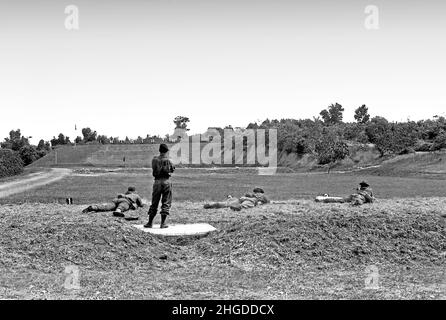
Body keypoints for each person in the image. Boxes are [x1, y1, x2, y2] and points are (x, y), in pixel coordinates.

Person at [144, 143, 175, 229]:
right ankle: (163, 223)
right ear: (167, 151)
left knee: (154, 202)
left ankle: (150, 223)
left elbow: (154, 168)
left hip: (157, 182)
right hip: (166, 181)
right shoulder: (169, 160)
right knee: (166, 202)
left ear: (159, 150)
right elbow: (172, 169)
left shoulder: (154, 159)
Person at [203, 187, 270, 211]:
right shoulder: (261, 196)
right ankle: (239, 207)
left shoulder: (252, 194)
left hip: (242, 199)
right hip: (248, 200)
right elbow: (267, 201)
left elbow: (245, 195)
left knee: (228, 203)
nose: (257, 194)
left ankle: (215, 204)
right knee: (247, 202)